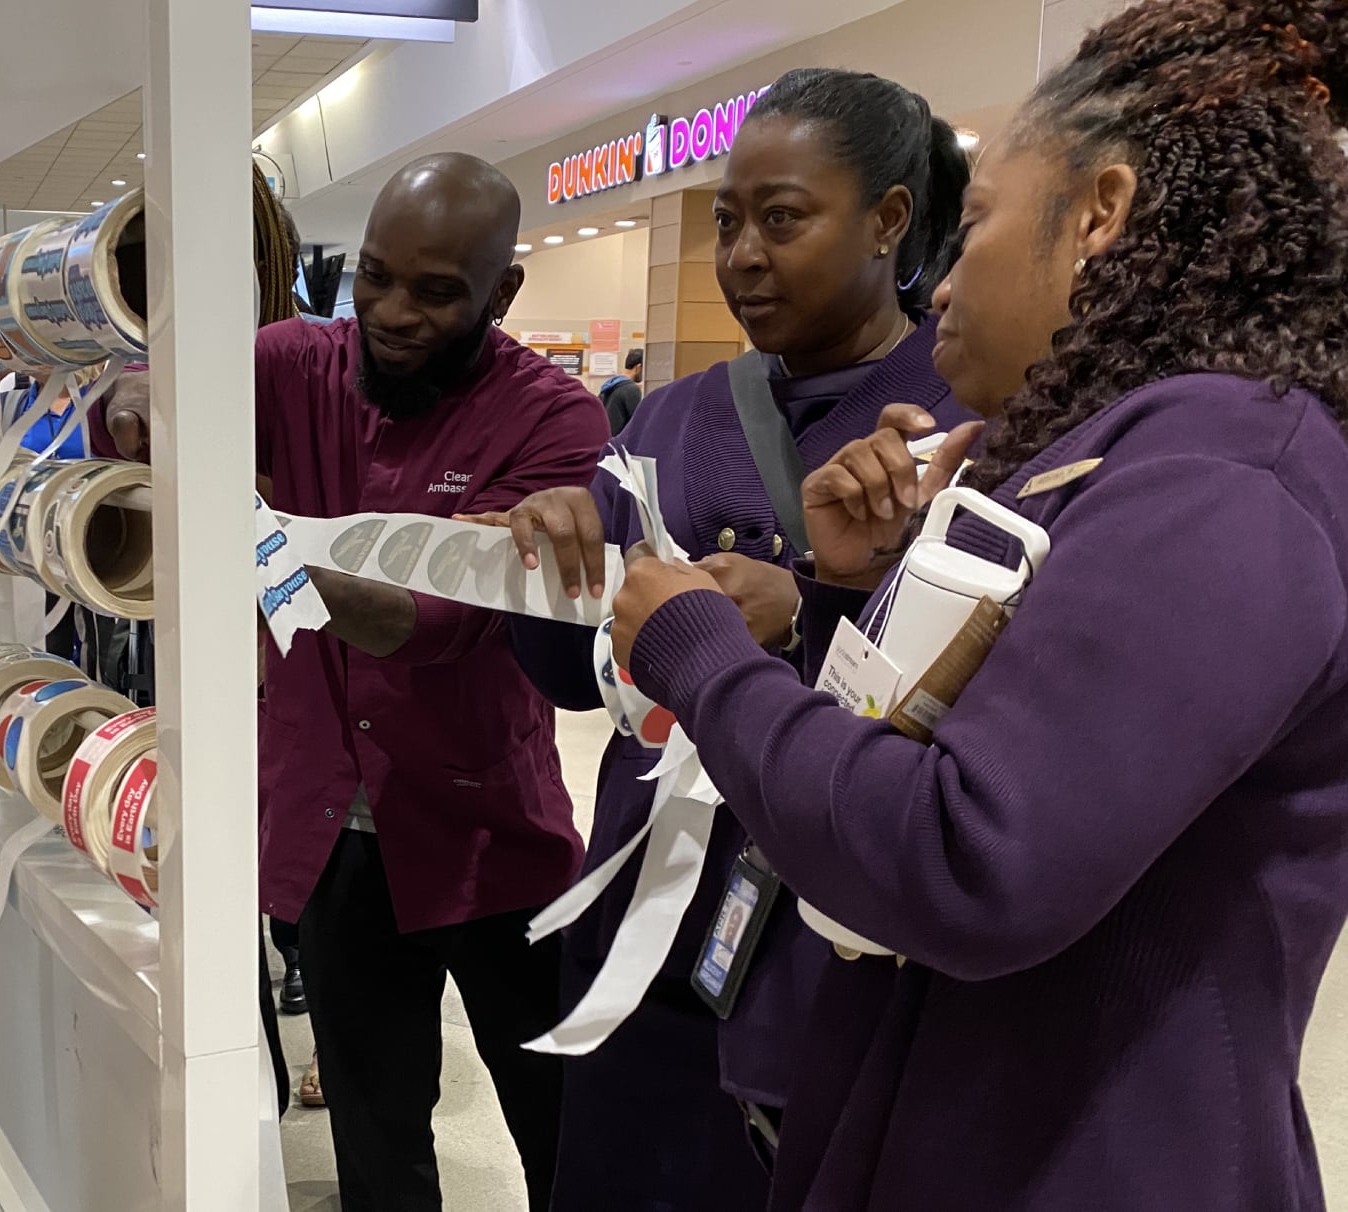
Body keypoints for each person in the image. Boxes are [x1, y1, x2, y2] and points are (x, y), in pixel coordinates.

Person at [603, 1, 1348, 1206]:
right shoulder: (1124, 458)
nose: (941, 289)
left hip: (1087, 1154)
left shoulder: (1218, 481)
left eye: (980, 227)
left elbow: (965, 857)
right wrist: (853, 589)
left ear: (1098, 213)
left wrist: (699, 656)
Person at [492, 69, 971, 1210]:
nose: (743, 253)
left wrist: (812, 609)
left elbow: (991, 722)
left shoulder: (952, 432)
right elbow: (566, 679)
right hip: (635, 940)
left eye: (782, 218)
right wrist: (546, 575)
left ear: (887, 221)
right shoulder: (669, 416)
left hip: (825, 956)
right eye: (725, 220)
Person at [100, 153, 607, 1210]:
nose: (392, 312)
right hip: (333, 834)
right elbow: (147, 413)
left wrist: (243, 526)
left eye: (434, 292)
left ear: (499, 294)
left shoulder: (551, 420)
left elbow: (422, 626)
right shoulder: (294, 363)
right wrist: (144, 399)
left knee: (562, 1120)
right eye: (373, 276)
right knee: (375, 1131)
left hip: (486, 831)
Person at [598, 348, 644, 434]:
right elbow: (638, 421)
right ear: (638, 367)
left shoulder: (610, 385)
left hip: (605, 439)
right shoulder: (631, 389)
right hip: (621, 442)